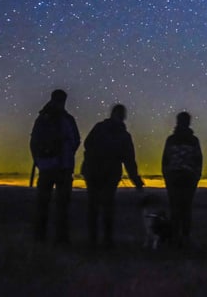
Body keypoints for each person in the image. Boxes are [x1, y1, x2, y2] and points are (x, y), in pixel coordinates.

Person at [81, 104, 144, 248]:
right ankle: (104, 240)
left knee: (96, 206)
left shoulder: (101, 128)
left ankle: (96, 240)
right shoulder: (123, 135)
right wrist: (136, 181)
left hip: (96, 172)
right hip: (104, 173)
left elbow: (87, 144)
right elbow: (129, 159)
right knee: (104, 206)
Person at [30, 89, 80, 244]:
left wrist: (39, 162)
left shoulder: (44, 119)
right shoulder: (64, 119)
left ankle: (43, 238)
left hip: (51, 167)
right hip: (59, 167)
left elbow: (33, 142)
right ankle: (58, 239)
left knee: (47, 205)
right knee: (59, 205)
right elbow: (76, 140)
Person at [162, 111, 202, 248]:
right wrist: (196, 176)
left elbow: (165, 161)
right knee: (186, 209)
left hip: (174, 178)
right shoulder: (193, 140)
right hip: (188, 178)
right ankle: (184, 237)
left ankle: (175, 238)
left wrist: (167, 176)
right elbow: (198, 160)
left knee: (175, 209)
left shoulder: (171, 140)